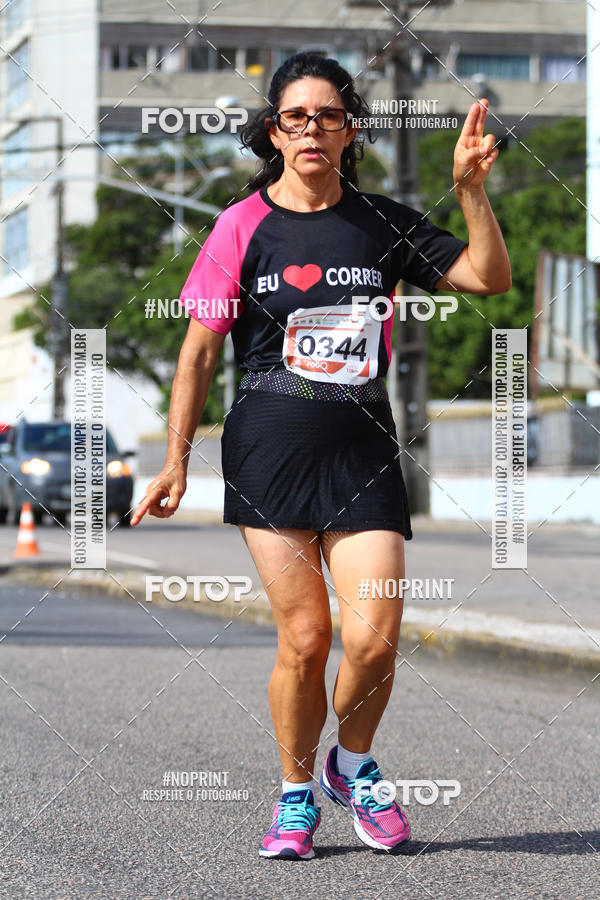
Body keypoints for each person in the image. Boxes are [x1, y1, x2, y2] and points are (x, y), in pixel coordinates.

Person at [131, 53, 510, 860]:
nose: (311, 129)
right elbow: (197, 354)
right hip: (268, 448)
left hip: (363, 451)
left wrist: (471, 193)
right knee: (304, 640)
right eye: (295, 116)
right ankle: (295, 794)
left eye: (328, 115)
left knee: (374, 638)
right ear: (274, 130)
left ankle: (353, 763)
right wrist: (175, 462)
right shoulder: (241, 225)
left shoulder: (383, 221)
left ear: (350, 128)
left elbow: (487, 277)